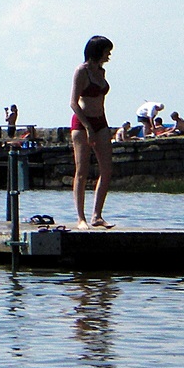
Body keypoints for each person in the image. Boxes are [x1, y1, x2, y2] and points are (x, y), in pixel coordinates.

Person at [70, 35, 115, 230]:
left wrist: (99, 127)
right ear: (98, 51)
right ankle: (81, 218)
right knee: (82, 171)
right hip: (82, 123)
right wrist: (88, 127)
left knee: (106, 170)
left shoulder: (101, 71)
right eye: (107, 51)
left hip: (101, 121)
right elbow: (73, 102)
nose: (109, 55)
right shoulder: (82, 71)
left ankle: (97, 215)